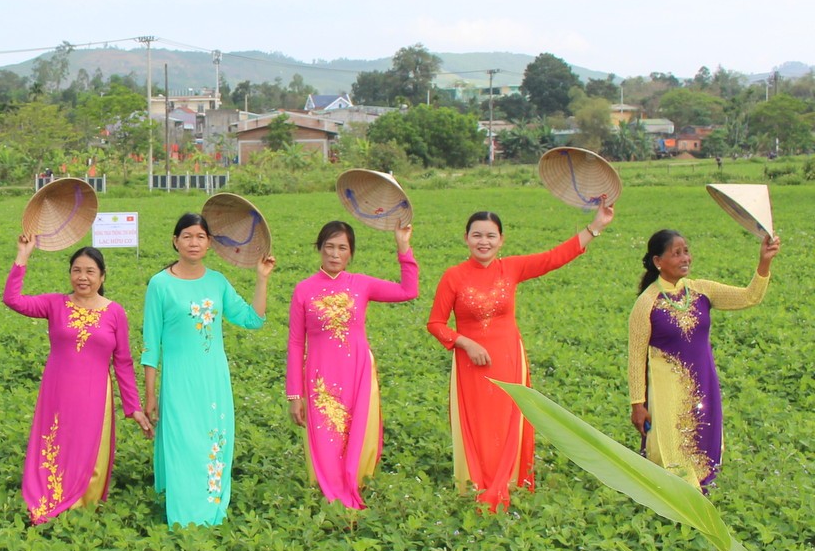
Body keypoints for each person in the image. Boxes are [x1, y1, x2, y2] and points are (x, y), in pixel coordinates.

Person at [426, 204, 614, 512]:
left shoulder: (511, 268)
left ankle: (510, 480)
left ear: (501, 240)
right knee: (479, 423)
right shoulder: (454, 277)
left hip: (508, 359)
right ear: (466, 239)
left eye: (490, 236)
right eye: (477, 235)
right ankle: (480, 482)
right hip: (471, 365)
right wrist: (464, 342)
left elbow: (554, 257)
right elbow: (436, 323)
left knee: (508, 418)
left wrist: (596, 226)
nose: (483, 242)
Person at [3, 238, 152, 524]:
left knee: (90, 446)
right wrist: (22, 256)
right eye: (76, 270)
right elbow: (13, 300)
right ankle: (52, 497)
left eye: (90, 271)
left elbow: (122, 361)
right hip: (58, 390)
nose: (82, 277)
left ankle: (84, 502)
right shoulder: (54, 304)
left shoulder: (114, 312)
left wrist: (132, 406)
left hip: (96, 393)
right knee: (57, 443)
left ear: (102, 276)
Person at [140, 212, 274, 527]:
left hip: (213, 380)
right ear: (175, 241)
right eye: (187, 235)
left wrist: (262, 278)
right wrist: (150, 396)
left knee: (213, 441)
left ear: (210, 243)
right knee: (183, 443)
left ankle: (211, 509)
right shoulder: (160, 285)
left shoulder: (217, 282)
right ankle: (185, 515)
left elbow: (252, 319)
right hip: (178, 382)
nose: (194, 242)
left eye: (200, 236)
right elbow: (150, 345)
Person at [627, 228, 779, 492]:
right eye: (676, 253)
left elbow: (749, 296)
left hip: (703, 386)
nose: (685, 257)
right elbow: (636, 358)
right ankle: (674, 505)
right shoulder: (646, 303)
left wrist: (764, 262)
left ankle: (701, 500)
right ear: (657, 261)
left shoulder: (701, 291)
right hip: (667, 393)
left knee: (702, 443)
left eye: (686, 251)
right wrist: (637, 404)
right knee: (670, 448)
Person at [286, 220, 418, 510]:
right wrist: (295, 394)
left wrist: (403, 246)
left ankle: (352, 487)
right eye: (329, 247)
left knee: (355, 435)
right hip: (320, 379)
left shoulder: (361, 284)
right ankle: (331, 498)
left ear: (351, 253)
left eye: (342, 248)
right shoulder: (304, 290)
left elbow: (409, 290)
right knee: (326, 439)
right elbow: (296, 344)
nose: (335, 254)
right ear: (319, 249)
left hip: (357, 373)